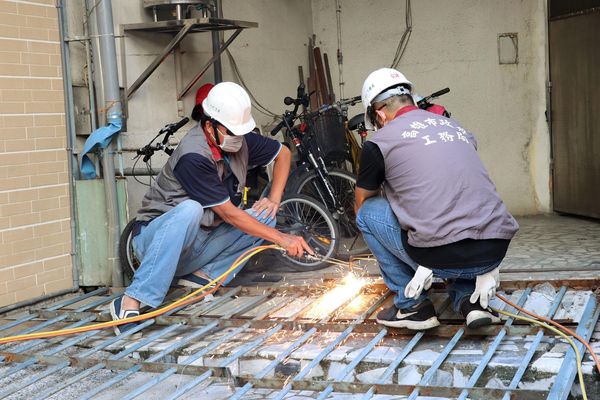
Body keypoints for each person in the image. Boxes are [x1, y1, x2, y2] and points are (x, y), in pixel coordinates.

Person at [111, 82, 313, 334]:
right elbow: (229, 214)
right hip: (155, 244)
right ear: (209, 125)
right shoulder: (193, 155)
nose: (237, 139)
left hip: (199, 244)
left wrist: (273, 199)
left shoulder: (237, 139)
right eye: (232, 132)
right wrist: (283, 239)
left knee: (265, 218)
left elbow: (282, 154)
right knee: (191, 210)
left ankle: (202, 278)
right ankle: (131, 300)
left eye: (240, 132)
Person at [355, 68, 519, 330]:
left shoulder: (380, 141)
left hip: (437, 258)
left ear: (379, 112)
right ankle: (471, 301)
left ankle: (412, 306)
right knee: (456, 207)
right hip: (493, 252)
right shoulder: (455, 127)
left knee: (367, 213)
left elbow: (363, 199)